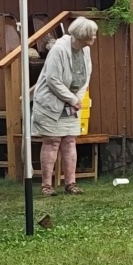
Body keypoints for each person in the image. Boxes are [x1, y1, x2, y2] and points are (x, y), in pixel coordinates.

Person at [32, 17, 96, 196]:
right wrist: (71, 99)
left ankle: (71, 183)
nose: (95, 37)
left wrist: (77, 98)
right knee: (52, 142)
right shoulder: (59, 49)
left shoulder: (86, 50)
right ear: (82, 35)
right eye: (92, 34)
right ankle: (47, 185)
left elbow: (86, 77)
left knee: (70, 140)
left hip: (71, 103)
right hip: (51, 102)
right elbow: (53, 79)